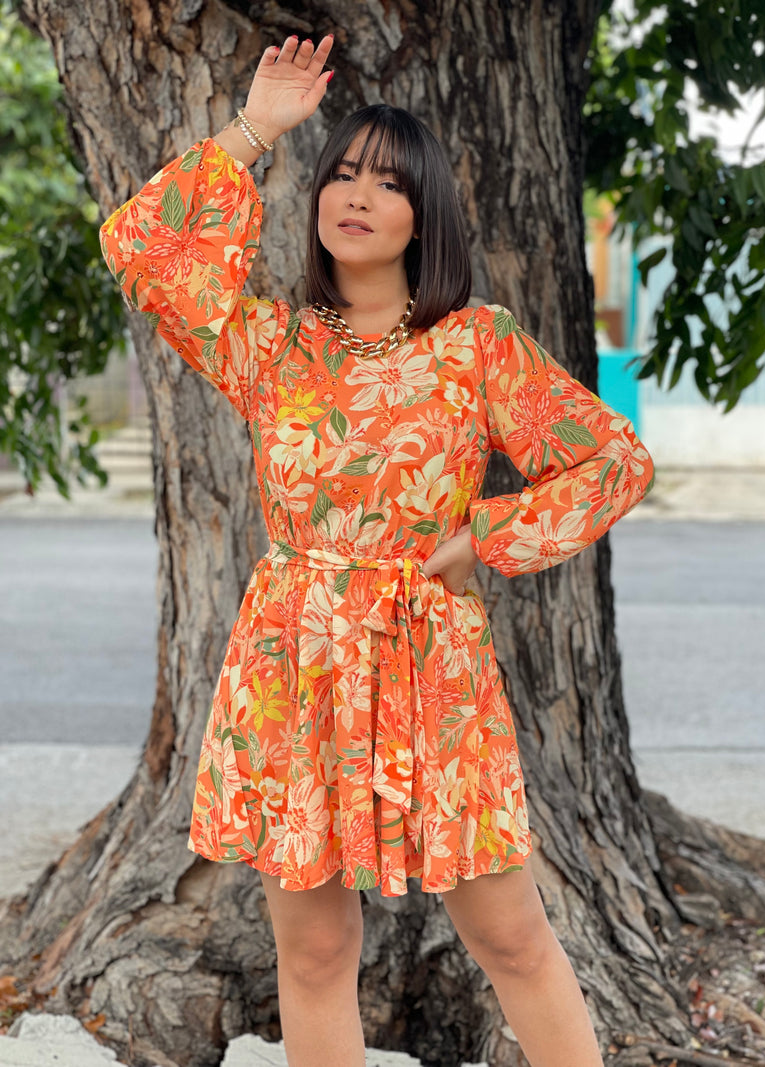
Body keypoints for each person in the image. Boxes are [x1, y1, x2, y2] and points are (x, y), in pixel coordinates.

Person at [100, 31, 653, 1067]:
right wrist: (257, 127)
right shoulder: (270, 346)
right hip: (292, 661)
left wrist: (485, 533)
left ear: (424, 214)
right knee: (311, 948)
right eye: (341, 172)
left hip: (427, 660)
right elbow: (141, 248)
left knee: (509, 933)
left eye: (387, 183)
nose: (355, 194)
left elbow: (610, 462)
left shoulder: (475, 344)